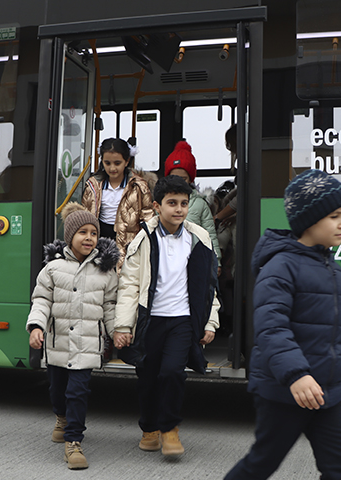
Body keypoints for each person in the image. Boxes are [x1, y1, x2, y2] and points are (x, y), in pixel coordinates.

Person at [225, 169, 341, 480]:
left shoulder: (335, 271)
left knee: (340, 468)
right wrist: (297, 375)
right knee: (262, 462)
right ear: (308, 221)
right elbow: (272, 328)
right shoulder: (280, 266)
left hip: (329, 392)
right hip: (283, 391)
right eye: (334, 216)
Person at [112, 175, 220, 458]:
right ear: (157, 206)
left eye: (184, 203)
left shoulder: (199, 237)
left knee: (173, 372)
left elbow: (207, 286)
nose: (179, 209)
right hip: (151, 321)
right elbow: (129, 286)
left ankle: (170, 429)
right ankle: (149, 428)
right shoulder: (143, 239)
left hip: (182, 321)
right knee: (148, 377)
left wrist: (210, 321)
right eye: (172, 203)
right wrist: (123, 325)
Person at [25, 202, 120, 470]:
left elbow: (110, 306)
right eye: (82, 232)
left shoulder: (105, 271)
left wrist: (116, 332)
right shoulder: (53, 268)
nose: (89, 238)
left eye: (93, 233)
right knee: (57, 391)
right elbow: (41, 300)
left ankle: (73, 442)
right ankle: (61, 416)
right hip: (58, 343)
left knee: (78, 391)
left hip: (88, 344)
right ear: (70, 236)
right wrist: (36, 327)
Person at [82, 137, 156, 261]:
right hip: (99, 239)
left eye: (117, 163)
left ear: (127, 161)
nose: (112, 168)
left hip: (129, 243)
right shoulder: (93, 185)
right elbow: (85, 214)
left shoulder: (138, 185)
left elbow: (148, 218)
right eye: (107, 163)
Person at [163, 140, 222, 274]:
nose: (178, 182)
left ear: (191, 179)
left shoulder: (200, 204)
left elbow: (210, 234)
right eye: (174, 178)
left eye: (183, 179)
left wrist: (216, 260)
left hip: (195, 259)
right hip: (167, 260)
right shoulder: (160, 203)